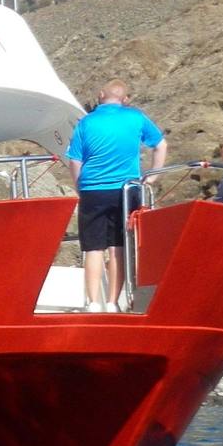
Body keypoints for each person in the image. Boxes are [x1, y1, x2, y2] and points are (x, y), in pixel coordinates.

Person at [65, 78, 167, 311]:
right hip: (126, 189)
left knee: (93, 248)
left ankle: (93, 303)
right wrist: (152, 176)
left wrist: (79, 185)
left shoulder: (86, 123)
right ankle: (112, 302)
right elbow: (160, 144)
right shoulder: (136, 117)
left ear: (101, 95)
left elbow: (74, 159)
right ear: (125, 99)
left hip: (93, 189)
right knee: (118, 246)